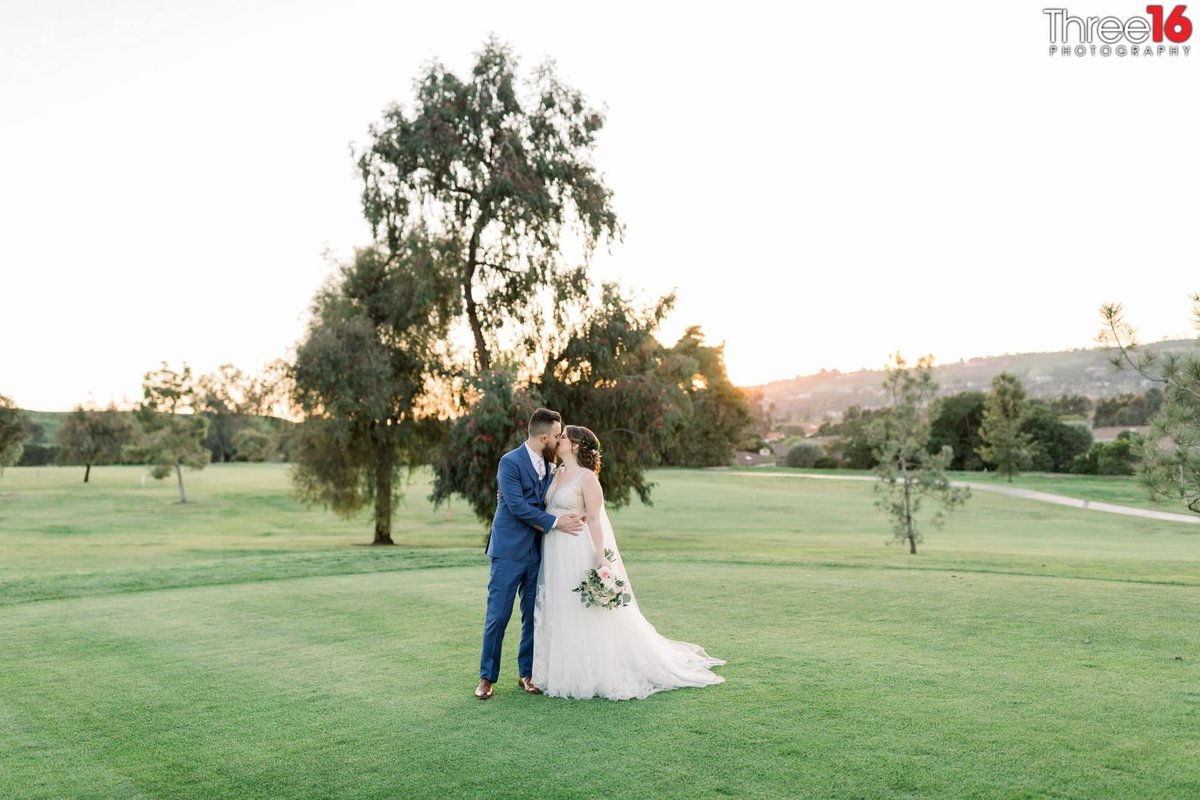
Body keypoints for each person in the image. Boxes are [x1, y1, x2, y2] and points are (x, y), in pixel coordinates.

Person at [532, 425, 725, 700]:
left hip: (575, 547)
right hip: (553, 548)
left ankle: (588, 673)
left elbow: (597, 519)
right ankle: (557, 671)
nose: (558, 440)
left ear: (575, 445)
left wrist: (601, 559)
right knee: (560, 604)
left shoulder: (587, 479)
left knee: (580, 609)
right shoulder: (557, 472)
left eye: (563, 437)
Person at [475, 408, 584, 700]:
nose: (560, 439)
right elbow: (516, 506)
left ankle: (527, 674)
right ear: (544, 436)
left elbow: (553, 500)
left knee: (534, 615)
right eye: (558, 435)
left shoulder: (550, 469)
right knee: (498, 615)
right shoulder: (509, 462)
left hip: (538, 552)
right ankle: (486, 678)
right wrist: (557, 523)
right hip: (508, 552)